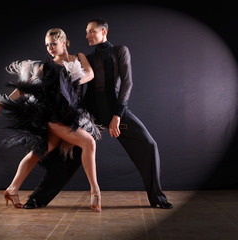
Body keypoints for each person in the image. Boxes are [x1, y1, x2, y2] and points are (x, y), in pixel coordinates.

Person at [23, 18, 173, 209]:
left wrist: (117, 116)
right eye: (86, 31)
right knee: (68, 157)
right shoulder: (86, 57)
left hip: (116, 113)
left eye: (91, 31)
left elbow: (127, 84)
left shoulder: (120, 51)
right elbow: (70, 80)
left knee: (149, 145)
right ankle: (37, 199)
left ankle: (158, 198)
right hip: (89, 117)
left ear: (104, 31)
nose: (87, 35)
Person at [0, 28, 102, 212]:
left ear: (63, 42)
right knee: (89, 143)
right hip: (54, 116)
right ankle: (95, 191)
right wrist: (6, 101)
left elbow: (90, 74)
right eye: (47, 45)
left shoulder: (79, 57)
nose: (50, 48)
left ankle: (12, 189)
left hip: (72, 114)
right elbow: (27, 86)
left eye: (53, 44)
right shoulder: (47, 66)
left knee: (39, 152)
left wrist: (72, 80)